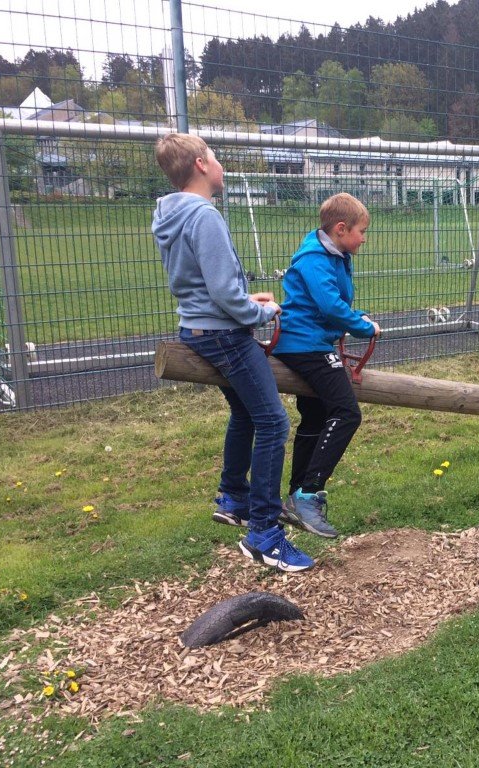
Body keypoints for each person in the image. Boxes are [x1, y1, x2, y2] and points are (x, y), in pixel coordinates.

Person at [152, 133, 313, 573]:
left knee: (245, 413)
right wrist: (259, 312)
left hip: (198, 327)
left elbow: (201, 284)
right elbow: (223, 291)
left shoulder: (170, 213)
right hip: (225, 334)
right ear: (201, 165)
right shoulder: (204, 215)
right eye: (216, 157)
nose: (221, 165)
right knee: (273, 422)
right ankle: (264, 534)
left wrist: (245, 300)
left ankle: (234, 498)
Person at [272, 193, 381, 538]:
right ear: (341, 229)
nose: (364, 238)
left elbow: (332, 303)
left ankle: (295, 495)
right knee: (347, 413)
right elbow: (331, 306)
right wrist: (364, 327)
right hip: (305, 345)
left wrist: (356, 315)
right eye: (362, 231)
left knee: (316, 418)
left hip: (311, 340)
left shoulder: (335, 254)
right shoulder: (315, 259)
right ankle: (309, 493)